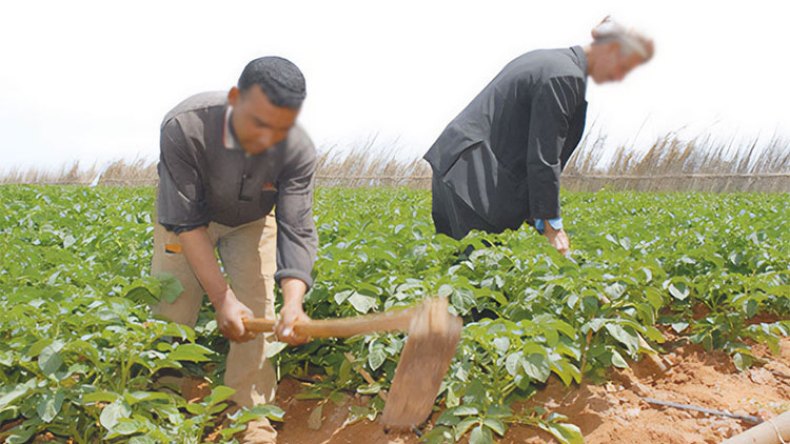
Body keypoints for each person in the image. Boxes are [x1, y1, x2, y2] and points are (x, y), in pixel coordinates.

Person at [151, 56, 317, 443]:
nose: (265, 138)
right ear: (233, 99)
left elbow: (296, 228)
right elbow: (187, 222)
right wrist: (221, 297)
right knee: (173, 307)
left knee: (260, 311)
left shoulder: (297, 149)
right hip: (188, 221)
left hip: (252, 223)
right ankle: (159, 405)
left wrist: (295, 303)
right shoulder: (185, 126)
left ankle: (252, 416)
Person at [424, 17, 653, 255]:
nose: (618, 77)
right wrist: (551, 222)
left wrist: (538, 217)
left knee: (457, 267)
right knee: (480, 273)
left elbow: (520, 139)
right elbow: (544, 155)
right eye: (623, 66)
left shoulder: (549, 61)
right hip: (475, 181)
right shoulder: (564, 76)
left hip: (457, 169)